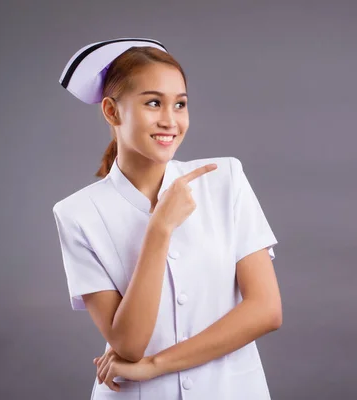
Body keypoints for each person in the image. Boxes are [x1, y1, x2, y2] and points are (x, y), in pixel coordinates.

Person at [52, 38, 282, 400]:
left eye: (180, 104)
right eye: (154, 103)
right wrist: (159, 229)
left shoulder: (225, 179)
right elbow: (129, 343)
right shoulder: (77, 214)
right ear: (112, 112)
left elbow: (266, 310)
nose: (170, 120)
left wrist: (155, 364)